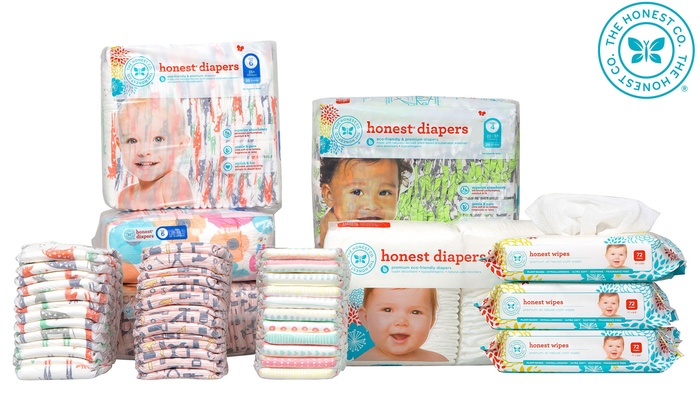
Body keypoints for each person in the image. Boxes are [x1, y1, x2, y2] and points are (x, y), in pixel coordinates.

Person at [116, 98, 193, 209]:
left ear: (181, 145)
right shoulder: (125, 196)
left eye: (158, 139)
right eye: (132, 141)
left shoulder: (173, 183)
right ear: (120, 147)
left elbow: (184, 219)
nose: (143, 151)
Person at [318, 158, 412, 247]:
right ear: (329, 195)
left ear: (397, 196)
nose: (372, 206)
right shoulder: (324, 236)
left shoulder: (402, 237)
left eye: (384, 193)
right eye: (357, 192)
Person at [356, 287, 448, 362]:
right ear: (365, 318)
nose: (401, 322)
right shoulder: (360, 365)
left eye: (415, 312)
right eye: (387, 310)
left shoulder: (438, 362)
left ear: (431, 322)